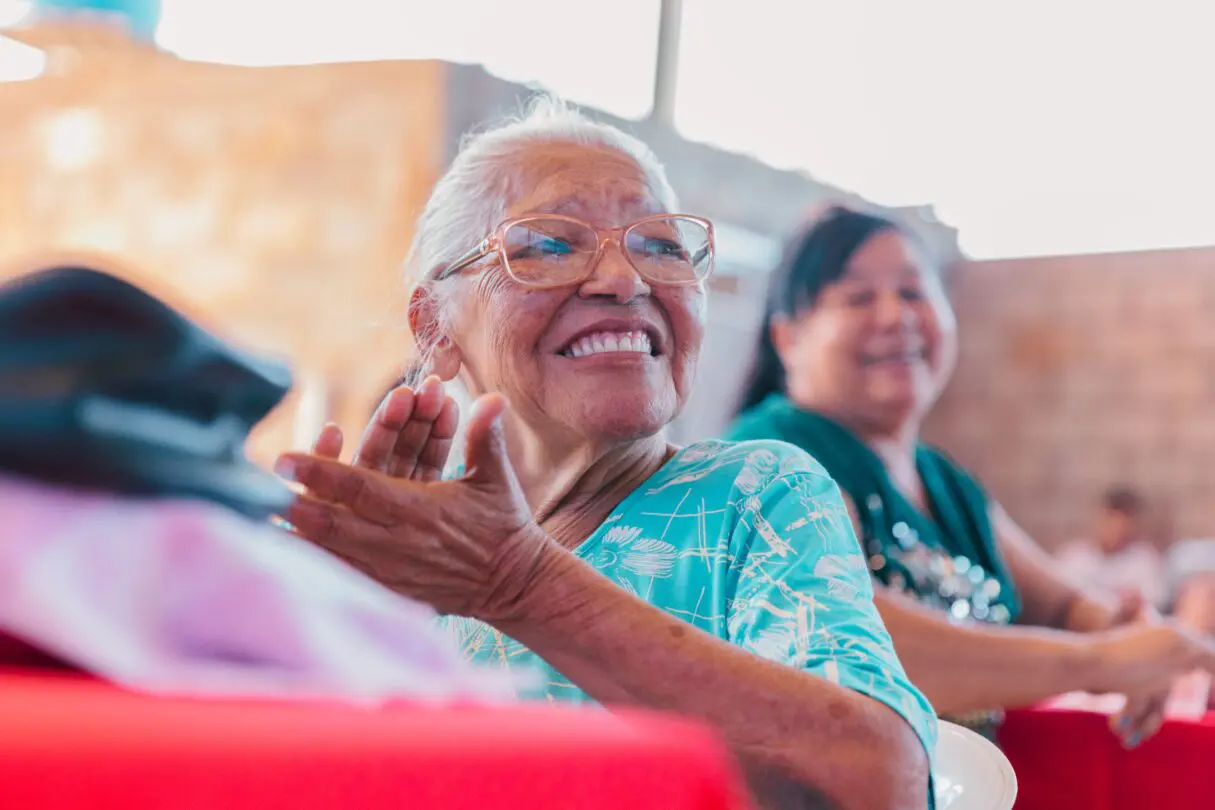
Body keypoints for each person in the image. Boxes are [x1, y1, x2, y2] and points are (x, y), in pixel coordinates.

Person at [274, 100, 935, 809]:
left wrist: (523, 584)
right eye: (547, 245)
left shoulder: (754, 493)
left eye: (660, 245)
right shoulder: (410, 547)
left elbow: (880, 779)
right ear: (434, 326)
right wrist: (328, 624)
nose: (624, 278)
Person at [725, 205, 1215, 746]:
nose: (894, 315)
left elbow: (1062, 603)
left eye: (913, 292)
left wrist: (1130, 635)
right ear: (789, 337)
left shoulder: (944, 481)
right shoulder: (769, 455)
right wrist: (1101, 661)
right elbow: (853, 636)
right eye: (859, 297)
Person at [1056, 487, 1167, 609]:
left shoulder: (1144, 561)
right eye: (1113, 522)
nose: (1118, 530)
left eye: (1125, 525)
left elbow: (1153, 604)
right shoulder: (1074, 557)